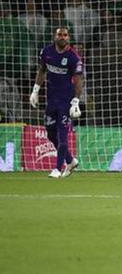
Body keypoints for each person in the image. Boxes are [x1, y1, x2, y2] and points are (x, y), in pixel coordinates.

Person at [29, 27, 82, 178]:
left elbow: (79, 81)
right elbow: (42, 70)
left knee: (63, 135)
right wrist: (35, 90)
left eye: (65, 35)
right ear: (55, 36)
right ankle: (70, 161)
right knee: (51, 134)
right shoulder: (46, 52)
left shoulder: (73, 57)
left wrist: (76, 101)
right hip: (51, 100)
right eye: (60, 35)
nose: (62, 37)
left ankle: (57, 169)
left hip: (66, 102)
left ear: (68, 37)